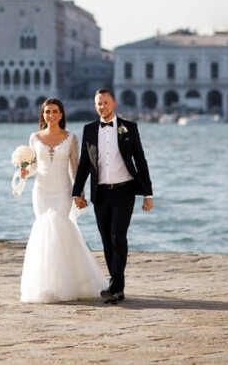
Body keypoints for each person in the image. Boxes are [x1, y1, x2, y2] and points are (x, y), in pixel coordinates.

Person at [19, 98, 106, 303]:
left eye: (55, 111)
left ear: (61, 114)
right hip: (41, 191)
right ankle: (46, 285)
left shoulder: (71, 138)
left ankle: (67, 284)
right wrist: (25, 171)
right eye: (47, 112)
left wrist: (79, 192)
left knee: (60, 230)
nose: (51, 115)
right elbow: (35, 166)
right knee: (44, 232)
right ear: (43, 115)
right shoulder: (35, 138)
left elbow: (74, 168)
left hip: (63, 191)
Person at [72, 89, 153, 304]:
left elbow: (140, 161)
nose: (103, 107)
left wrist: (148, 193)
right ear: (95, 106)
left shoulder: (129, 128)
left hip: (125, 191)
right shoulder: (89, 129)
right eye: (99, 103)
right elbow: (84, 165)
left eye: (106, 103)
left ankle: (115, 285)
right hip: (100, 193)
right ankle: (118, 286)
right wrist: (76, 192)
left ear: (114, 104)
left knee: (118, 236)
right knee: (106, 240)